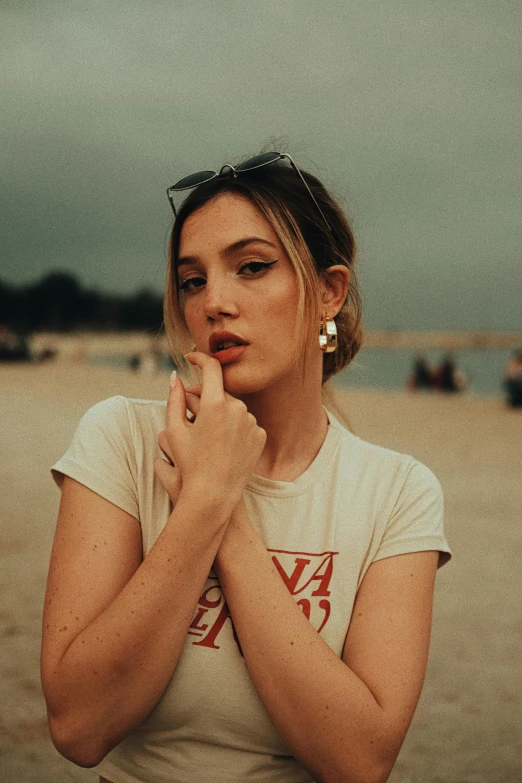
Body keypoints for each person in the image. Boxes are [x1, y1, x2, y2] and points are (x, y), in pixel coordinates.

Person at [41, 151, 452, 783]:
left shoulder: (395, 493)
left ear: (328, 293)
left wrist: (218, 506)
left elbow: (359, 761)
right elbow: (79, 725)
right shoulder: (121, 438)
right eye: (192, 280)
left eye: (252, 267)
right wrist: (201, 503)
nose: (214, 303)